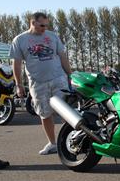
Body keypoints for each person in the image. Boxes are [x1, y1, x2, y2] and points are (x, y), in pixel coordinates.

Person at [9, 12, 72, 155]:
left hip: (58, 79)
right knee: (44, 114)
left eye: (46, 25)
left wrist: (71, 75)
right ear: (33, 23)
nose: (45, 28)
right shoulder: (20, 40)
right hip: (37, 83)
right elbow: (17, 64)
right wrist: (18, 84)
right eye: (41, 25)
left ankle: (71, 140)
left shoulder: (53, 36)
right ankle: (53, 143)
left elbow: (62, 57)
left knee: (66, 111)